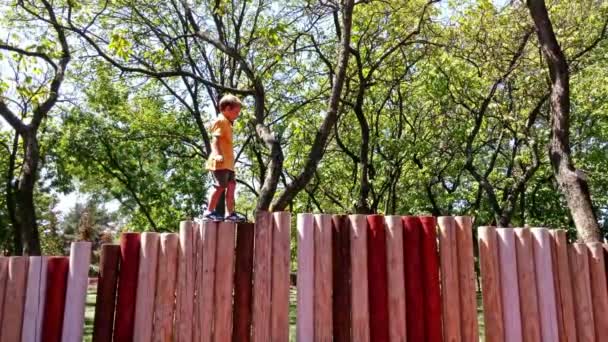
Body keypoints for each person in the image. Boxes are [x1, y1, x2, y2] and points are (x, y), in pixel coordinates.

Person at [204, 94, 245, 222]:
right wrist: (217, 154)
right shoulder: (220, 121)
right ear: (227, 109)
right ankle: (208, 212)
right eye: (236, 112)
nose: (237, 115)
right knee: (220, 186)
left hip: (228, 163)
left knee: (232, 185)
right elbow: (215, 140)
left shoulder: (228, 123)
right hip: (220, 163)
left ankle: (230, 213)